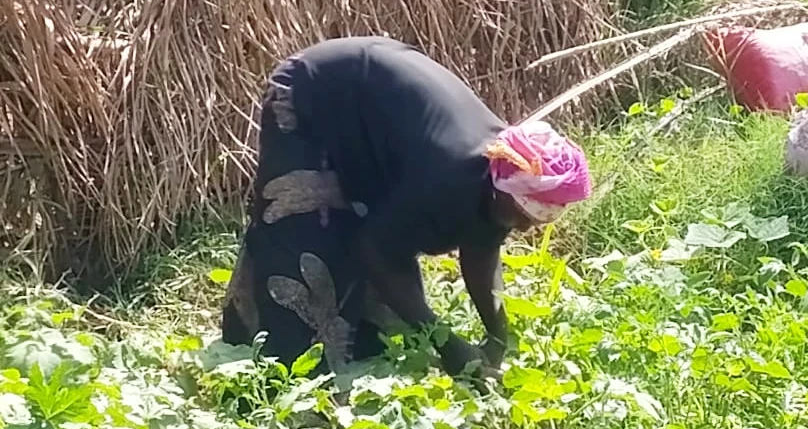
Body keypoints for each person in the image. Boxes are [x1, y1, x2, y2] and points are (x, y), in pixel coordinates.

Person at [220, 35, 592, 379]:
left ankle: (357, 354)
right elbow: (377, 249)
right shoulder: (451, 175)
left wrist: (497, 334)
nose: (524, 229)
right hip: (313, 96)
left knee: (378, 296)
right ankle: (276, 372)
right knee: (306, 239)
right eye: (522, 216)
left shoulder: (500, 173)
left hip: (373, 118)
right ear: (502, 189)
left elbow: (482, 246)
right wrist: (446, 342)